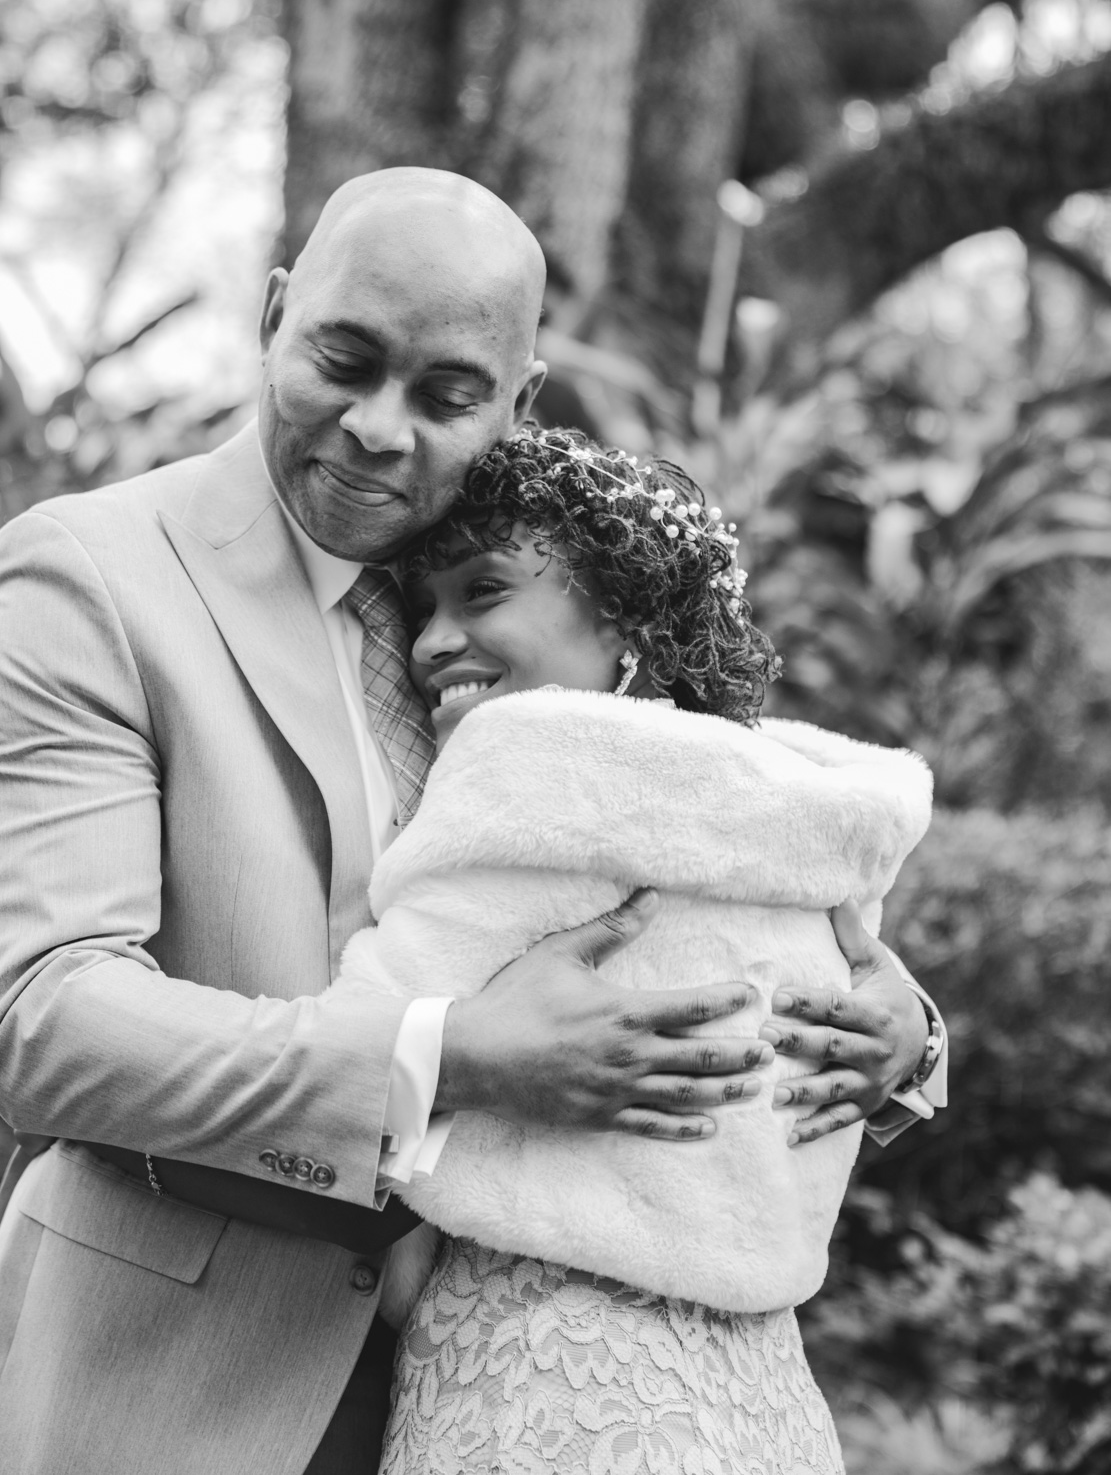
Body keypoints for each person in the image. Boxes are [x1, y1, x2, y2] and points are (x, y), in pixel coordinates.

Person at [0, 169, 944, 1475]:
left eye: (446, 395)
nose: (380, 429)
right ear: (274, 313)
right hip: (181, 1382)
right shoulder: (90, 574)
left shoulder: (516, 606)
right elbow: (44, 1019)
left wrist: (893, 1020)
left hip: (502, 1392)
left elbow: (723, 843)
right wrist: (446, 1058)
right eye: (343, 359)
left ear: (519, 401)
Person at [333, 426, 938, 1473]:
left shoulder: (520, 782)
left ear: (625, 616)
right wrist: (918, 1045)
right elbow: (838, 1040)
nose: (429, 642)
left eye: (481, 592)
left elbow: (344, 1054)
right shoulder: (796, 813)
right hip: (759, 1389)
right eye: (420, 606)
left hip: (540, 1373)